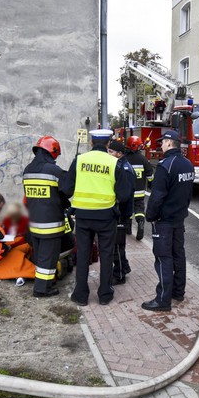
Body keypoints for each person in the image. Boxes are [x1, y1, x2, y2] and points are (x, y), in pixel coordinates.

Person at [64, 129, 134, 306]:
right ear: (109, 143)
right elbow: (125, 194)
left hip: (83, 217)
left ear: (91, 143)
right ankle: (105, 294)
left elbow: (66, 190)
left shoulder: (79, 160)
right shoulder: (115, 163)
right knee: (106, 255)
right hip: (105, 217)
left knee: (82, 256)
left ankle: (80, 295)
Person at [141, 130, 194, 312]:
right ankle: (178, 291)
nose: (161, 145)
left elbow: (157, 196)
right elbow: (188, 194)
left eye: (162, 142)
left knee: (164, 258)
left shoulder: (165, 166)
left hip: (164, 221)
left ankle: (163, 300)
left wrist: (150, 216)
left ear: (170, 143)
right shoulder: (188, 165)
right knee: (178, 255)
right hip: (179, 219)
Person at [22, 136, 71, 297]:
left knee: (40, 257)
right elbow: (67, 191)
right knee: (48, 259)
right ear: (53, 152)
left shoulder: (28, 170)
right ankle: (42, 289)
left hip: (34, 223)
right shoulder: (53, 171)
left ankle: (44, 284)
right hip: (51, 224)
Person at [108, 139, 136, 285]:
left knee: (117, 245)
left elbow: (124, 195)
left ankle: (119, 275)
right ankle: (124, 267)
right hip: (121, 212)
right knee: (118, 244)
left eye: (111, 152)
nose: (109, 154)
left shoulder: (123, 168)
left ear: (119, 154)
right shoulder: (121, 165)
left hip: (121, 213)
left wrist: (116, 209)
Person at [124, 135, 154, 240]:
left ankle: (128, 229)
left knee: (128, 211)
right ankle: (140, 222)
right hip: (140, 192)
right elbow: (150, 174)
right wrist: (151, 184)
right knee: (139, 209)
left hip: (127, 192)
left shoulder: (123, 158)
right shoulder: (143, 159)